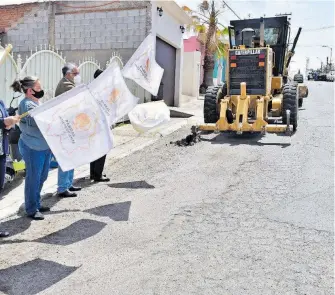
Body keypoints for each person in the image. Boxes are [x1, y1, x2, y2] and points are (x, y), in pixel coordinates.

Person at [11, 77, 51, 220]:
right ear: (30, 90)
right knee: (34, 178)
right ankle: (31, 209)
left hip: (43, 146)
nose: (41, 90)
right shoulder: (27, 104)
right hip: (33, 147)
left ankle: (36, 203)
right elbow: (38, 121)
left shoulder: (36, 101)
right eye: (39, 88)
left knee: (43, 176)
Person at [54, 63, 82, 197]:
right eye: (76, 74)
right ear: (68, 74)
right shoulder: (66, 85)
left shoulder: (69, 84)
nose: (78, 76)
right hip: (65, 127)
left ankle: (68, 183)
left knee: (72, 155)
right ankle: (62, 187)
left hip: (70, 125)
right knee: (66, 156)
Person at [0, 98, 20, 236]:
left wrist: (10, 123)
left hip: (1, 152)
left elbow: (7, 123)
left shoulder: (1, 102)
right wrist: (3, 122)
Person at [89, 69, 110, 183]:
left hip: (92, 123)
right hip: (99, 123)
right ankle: (97, 174)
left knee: (94, 148)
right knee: (102, 147)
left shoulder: (91, 89)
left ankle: (93, 173)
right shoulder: (101, 91)